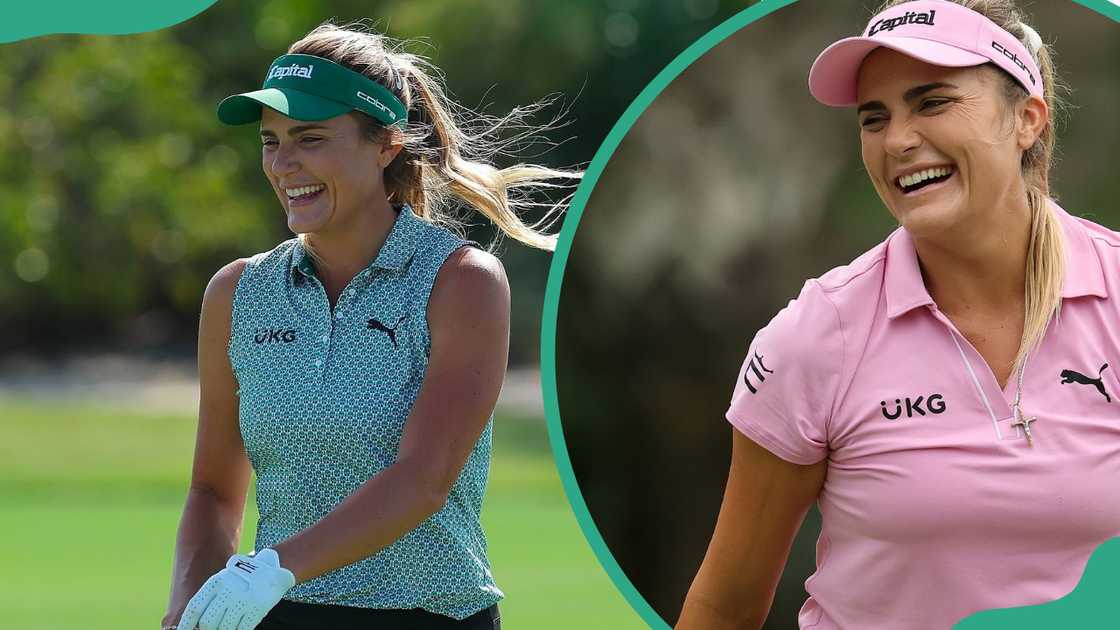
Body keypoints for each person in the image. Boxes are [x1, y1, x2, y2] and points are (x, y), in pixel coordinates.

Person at [678, 0, 1120, 628]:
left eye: (932, 102)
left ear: (1027, 119)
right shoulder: (816, 335)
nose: (899, 140)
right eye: (874, 117)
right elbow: (724, 607)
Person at [160, 22, 577, 630]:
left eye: (310, 138)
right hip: (280, 613)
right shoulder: (238, 293)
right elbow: (212, 492)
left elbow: (424, 479)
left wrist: (271, 568)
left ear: (386, 143)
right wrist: (192, 609)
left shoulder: (460, 283)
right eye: (270, 141)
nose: (284, 164)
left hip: (427, 616)